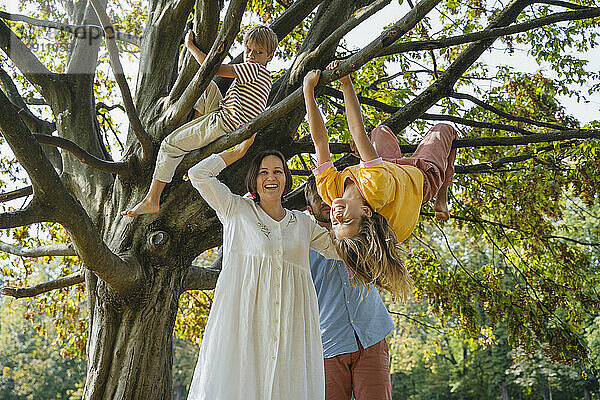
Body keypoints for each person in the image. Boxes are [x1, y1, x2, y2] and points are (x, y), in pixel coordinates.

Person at [186, 135, 339, 400]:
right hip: (245, 325)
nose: (271, 177)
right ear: (254, 180)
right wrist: (237, 152)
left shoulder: (302, 223)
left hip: (290, 328)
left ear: (286, 178)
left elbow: (340, 249)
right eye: (263, 172)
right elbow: (198, 174)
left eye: (277, 171)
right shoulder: (236, 209)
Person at [302, 61, 457, 297]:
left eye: (335, 224)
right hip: (421, 179)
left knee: (380, 132)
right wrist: (346, 83)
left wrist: (308, 92)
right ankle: (442, 195)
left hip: (389, 169)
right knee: (444, 130)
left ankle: (369, 155)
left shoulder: (329, 190)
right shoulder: (375, 189)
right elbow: (357, 131)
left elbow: (320, 142)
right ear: (365, 211)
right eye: (346, 221)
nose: (336, 217)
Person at [122, 25, 277, 217]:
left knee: (169, 144)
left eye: (258, 52)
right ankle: (194, 130)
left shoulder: (253, 69)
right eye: (248, 50)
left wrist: (191, 47)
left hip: (223, 123)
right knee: (207, 86)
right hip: (225, 116)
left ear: (269, 57)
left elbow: (213, 68)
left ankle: (152, 199)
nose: (251, 55)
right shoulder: (265, 77)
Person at [305, 175, 395, 400]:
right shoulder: (301, 243)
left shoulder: (363, 228)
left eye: (329, 194)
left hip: (371, 335)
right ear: (310, 208)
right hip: (328, 343)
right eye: (318, 197)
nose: (325, 201)